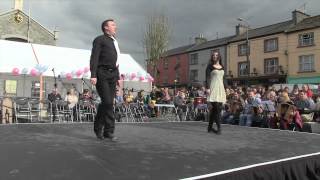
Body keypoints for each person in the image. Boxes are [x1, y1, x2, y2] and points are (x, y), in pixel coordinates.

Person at [90, 19, 120, 141]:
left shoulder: (115, 41)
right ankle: (103, 129)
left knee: (108, 103)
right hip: (102, 73)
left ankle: (105, 130)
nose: (115, 26)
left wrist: (118, 77)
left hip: (113, 74)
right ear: (106, 28)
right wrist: (93, 74)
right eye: (113, 25)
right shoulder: (99, 40)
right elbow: (94, 57)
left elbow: (116, 60)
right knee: (107, 102)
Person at [205, 52, 226, 134]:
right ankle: (219, 128)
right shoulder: (209, 66)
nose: (215, 56)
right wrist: (207, 88)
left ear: (219, 57)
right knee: (216, 108)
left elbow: (224, 78)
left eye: (216, 55)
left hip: (221, 88)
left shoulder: (222, 67)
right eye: (213, 55)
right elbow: (207, 77)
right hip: (213, 88)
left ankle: (209, 127)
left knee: (216, 110)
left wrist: (226, 88)